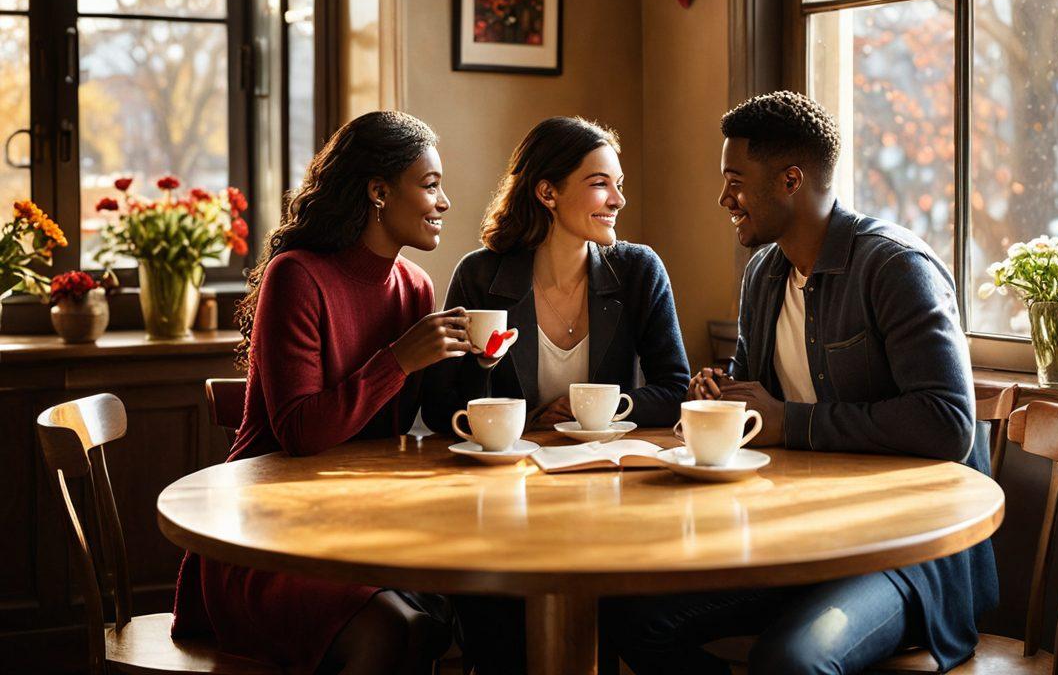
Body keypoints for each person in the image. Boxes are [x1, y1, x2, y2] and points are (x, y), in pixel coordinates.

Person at [605, 92, 998, 675]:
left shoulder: (894, 268)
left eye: (735, 180)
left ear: (791, 179)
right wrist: (726, 392)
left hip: (900, 556)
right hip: (798, 539)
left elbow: (947, 424)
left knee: (791, 662)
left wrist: (788, 419)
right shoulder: (764, 275)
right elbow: (762, 389)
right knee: (627, 619)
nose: (723, 198)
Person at [172, 111, 471, 675]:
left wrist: (476, 365)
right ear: (379, 191)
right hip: (266, 536)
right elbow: (302, 433)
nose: (444, 201)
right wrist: (400, 359)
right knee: (393, 627)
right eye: (430, 185)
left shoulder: (415, 288)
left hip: (361, 523)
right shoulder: (298, 276)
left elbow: (415, 421)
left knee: (473, 609)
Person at [420, 115, 691, 673]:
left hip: (608, 499)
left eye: (618, 183)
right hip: (501, 503)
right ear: (547, 192)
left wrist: (608, 407)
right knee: (499, 631)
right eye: (599, 183)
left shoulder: (639, 271)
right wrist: (485, 371)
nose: (618, 198)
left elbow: (675, 387)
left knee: (616, 619)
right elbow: (441, 408)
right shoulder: (481, 275)